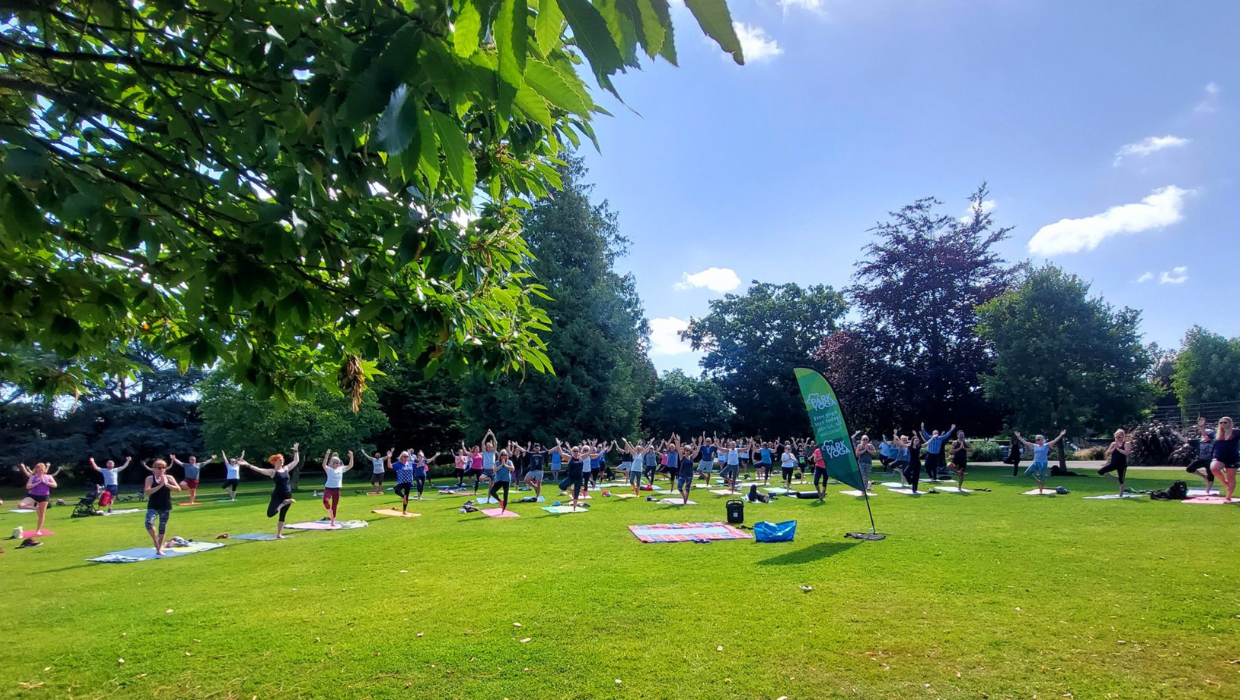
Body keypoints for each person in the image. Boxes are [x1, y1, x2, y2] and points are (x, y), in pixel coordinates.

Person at [244, 443, 300, 538]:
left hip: (287, 494)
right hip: (277, 496)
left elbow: (296, 461)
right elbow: (260, 470)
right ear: (275, 462)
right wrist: (248, 465)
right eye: (280, 460)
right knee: (270, 514)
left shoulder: (286, 469)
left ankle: (279, 534)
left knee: (282, 515)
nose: (282, 461)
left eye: (282, 460)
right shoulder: (272, 472)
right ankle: (283, 504)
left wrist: (295, 451)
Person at [142, 459, 181, 555]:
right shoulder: (150, 478)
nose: (161, 470)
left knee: (162, 527)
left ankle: (158, 549)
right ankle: (156, 542)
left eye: (164, 468)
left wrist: (167, 484)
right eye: (159, 468)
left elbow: (178, 490)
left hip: (165, 505)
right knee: (148, 523)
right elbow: (146, 492)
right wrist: (160, 485)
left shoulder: (169, 477)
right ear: (154, 469)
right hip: (153, 505)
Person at [1208, 417, 1240, 503]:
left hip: (1232, 457)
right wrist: (1201, 427)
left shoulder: (1235, 432)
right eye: (1221, 422)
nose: (1223, 424)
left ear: (1230, 423)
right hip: (1219, 456)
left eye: (1225, 422)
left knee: (1231, 477)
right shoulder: (1216, 433)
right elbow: (1206, 437)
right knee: (1214, 468)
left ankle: (1228, 497)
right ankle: (1225, 484)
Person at [321, 450, 354, 525]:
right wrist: (326, 456)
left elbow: (350, 466)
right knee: (325, 501)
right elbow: (323, 465)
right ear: (332, 463)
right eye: (336, 463)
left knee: (335, 505)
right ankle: (330, 512)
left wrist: (351, 457)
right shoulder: (329, 469)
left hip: (337, 489)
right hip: (328, 488)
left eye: (338, 463)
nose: (338, 464)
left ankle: (332, 521)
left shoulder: (340, 469)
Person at [1185, 416, 1216, 494]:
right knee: (1189, 469)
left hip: (1210, 461)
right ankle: (1203, 476)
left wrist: (1201, 427)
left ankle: (1207, 491)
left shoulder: (1214, 442)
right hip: (1200, 459)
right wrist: (1177, 434)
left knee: (1211, 476)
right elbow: (1187, 441)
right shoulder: (1200, 441)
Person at [24, 463, 58, 534]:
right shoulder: (33, 477)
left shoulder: (48, 476)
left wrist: (45, 482)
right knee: (20, 505)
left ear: (44, 470)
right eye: (39, 470)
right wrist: (37, 483)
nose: (40, 471)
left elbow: (55, 485)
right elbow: (28, 486)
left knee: (42, 514)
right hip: (33, 495)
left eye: (42, 470)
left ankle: (38, 530)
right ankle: (36, 508)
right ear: (36, 470)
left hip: (44, 496)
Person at [1097, 429, 1132, 497]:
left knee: (1121, 480)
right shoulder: (1113, 444)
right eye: (1116, 437)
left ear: (1123, 436)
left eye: (1119, 437)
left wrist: (1118, 449)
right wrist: (1114, 448)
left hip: (1122, 464)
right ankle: (1115, 478)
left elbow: (1127, 453)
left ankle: (1120, 495)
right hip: (1114, 463)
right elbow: (1107, 453)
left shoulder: (1126, 443)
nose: (1117, 438)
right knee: (1101, 471)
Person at [555, 441, 587, 511]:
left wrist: (593, 444)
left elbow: (589, 453)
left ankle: (574, 508)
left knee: (576, 494)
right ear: (572, 452)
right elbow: (561, 453)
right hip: (571, 477)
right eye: (574, 451)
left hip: (579, 478)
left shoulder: (581, 457)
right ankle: (571, 490)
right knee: (561, 485)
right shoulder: (569, 458)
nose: (576, 452)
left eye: (577, 451)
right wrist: (558, 444)